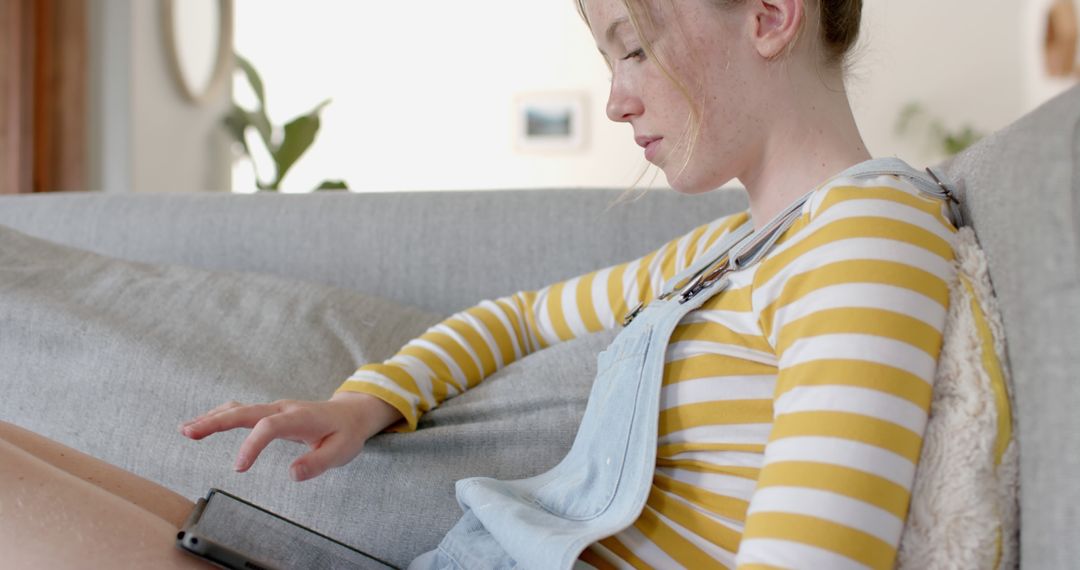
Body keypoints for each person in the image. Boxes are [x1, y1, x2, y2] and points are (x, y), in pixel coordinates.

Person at [0, 0, 961, 567]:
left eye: (632, 43)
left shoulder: (868, 233)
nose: (619, 97)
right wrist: (369, 401)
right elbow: (520, 316)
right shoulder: (726, 253)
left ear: (769, 14)